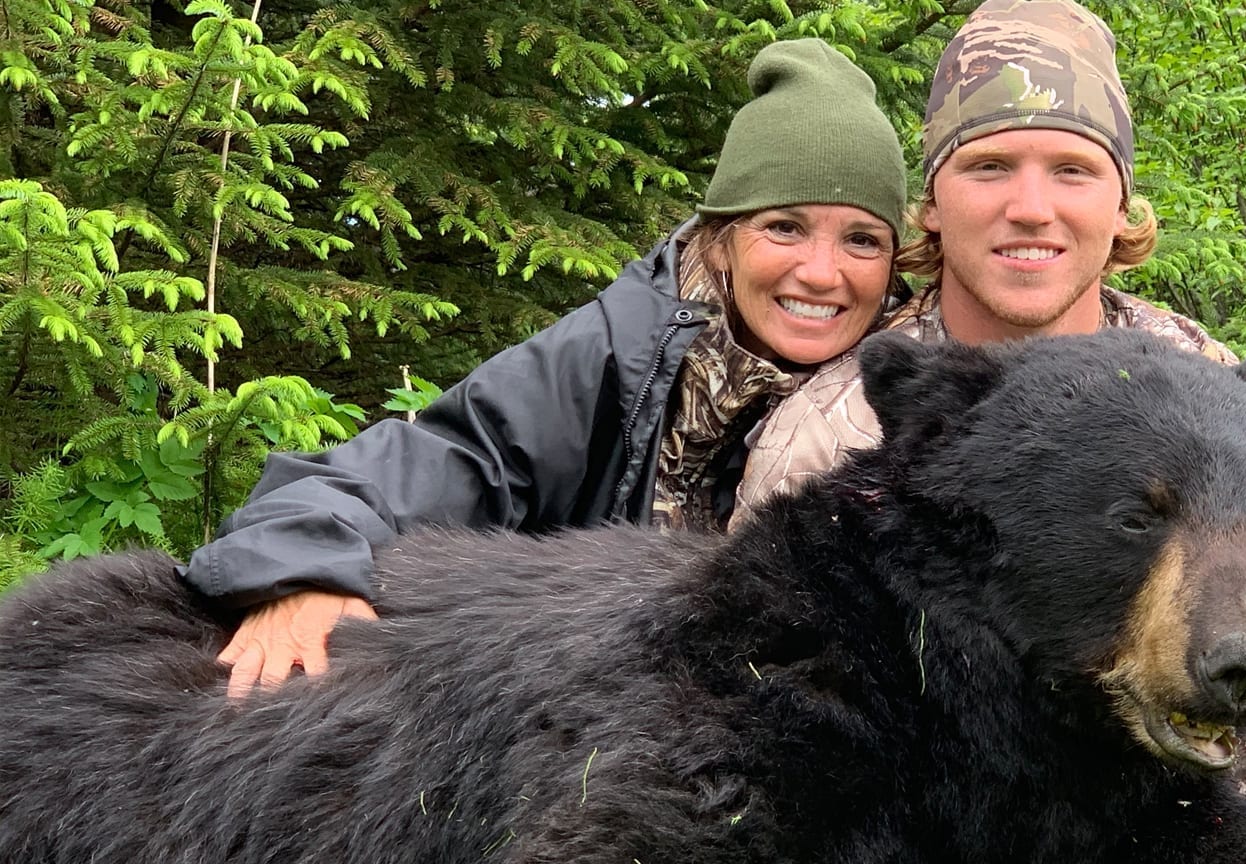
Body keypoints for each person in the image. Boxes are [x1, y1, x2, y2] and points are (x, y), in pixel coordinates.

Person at [731, 0, 1246, 864]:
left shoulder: (1204, 382)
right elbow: (793, 689)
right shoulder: (847, 427)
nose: (1031, 208)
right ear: (931, 204)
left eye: (1072, 169)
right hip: (1016, 816)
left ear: (1121, 200)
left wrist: (1229, 611)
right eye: (988, 166)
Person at [180, 38, 909, 699]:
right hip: (598, 741)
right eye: (784, 226)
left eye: (862, 240)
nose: (822, 272)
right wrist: (303, 567)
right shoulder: (617, 356)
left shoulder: (911, 390)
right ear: (720, 240)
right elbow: (431, 462)